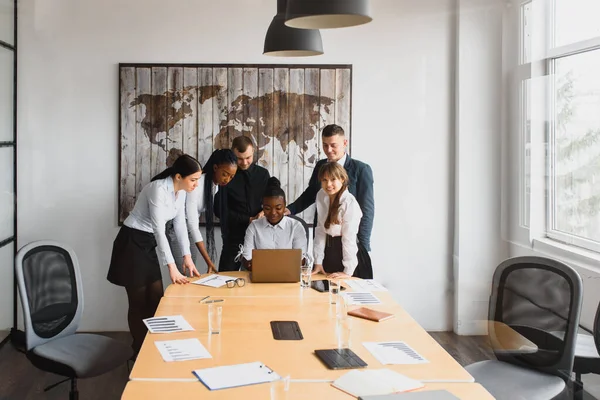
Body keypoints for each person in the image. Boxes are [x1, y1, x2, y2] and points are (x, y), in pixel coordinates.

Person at [107, 154, 202, 356]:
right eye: (193, 180)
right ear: (178, 176)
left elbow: (180, 224)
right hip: (131, 242)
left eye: (197, 180)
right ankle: (139, 352)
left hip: (147, 243)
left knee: (157, 299)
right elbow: (160, 230)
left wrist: (187, 256)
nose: (196, 184)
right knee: (139, 302)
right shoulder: (157, 189)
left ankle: (153, 348)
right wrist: (172, 267)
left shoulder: (181, 191)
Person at [286, 124, 375, 252]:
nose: (328, 150)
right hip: (323, 239)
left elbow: (367, 210)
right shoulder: (320, 165)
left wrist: (363, 246)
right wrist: (290, 209)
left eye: (333, 145)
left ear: (345, 143)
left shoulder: (361, 169)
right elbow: (311, 193)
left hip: (351, 240)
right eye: (325, 145)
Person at [168, 149, 237, 275]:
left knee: (190, 274)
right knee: (185, 274)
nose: (227, 180)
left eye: (231, 176)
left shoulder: (214, 187)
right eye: (225, 174)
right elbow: (193, 225)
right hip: (176, 227)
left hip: (189, 228)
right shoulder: (197, 184)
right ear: (215, 167)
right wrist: (209, 262)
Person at [215, 136, 270, 271]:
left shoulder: (263, 174)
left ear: (253, 153)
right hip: (233, 237)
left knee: (260, 280)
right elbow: (219, 210)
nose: (245, 162)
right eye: (239, 158)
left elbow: (270, 200)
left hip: (259, 237)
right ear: (233, 153)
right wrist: (248, 219)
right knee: (225, 278)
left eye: (248, 157)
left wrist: (264, 212)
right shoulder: (226, 175)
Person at [312, 162, 373, 279]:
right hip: (330, 254)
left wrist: (348, 271)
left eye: (333, 179)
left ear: (342, 179)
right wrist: (318, 261)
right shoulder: (321, 195)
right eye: (324, 180)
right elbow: (320, 230)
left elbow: (348, 238)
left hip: (351, 257)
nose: (328, 184)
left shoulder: (349, 203)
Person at [240, 177, 308, 270]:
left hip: (288, 277)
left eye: (278, 208)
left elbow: (300, 261)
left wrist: (266, 265)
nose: (273, 213)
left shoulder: (296, 227)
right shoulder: (254, 226)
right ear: (262, 207)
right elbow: (247, 260)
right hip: (261, 278)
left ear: (284, 206)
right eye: (267, 208)